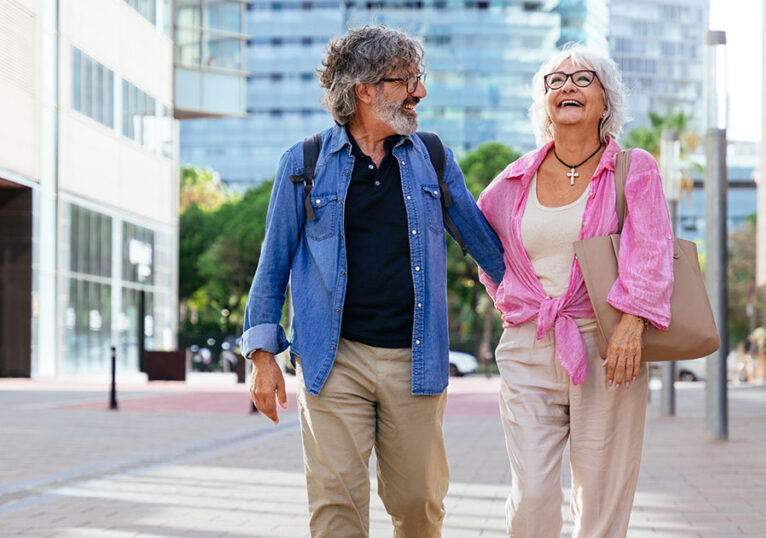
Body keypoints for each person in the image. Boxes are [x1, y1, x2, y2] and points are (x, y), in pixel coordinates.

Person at [241, 25, 505, 538]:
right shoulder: (305, 163)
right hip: (332, 360)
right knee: (336, 506)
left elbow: (485, 244)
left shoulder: (431, 156)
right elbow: (272, 263)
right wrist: (261, 356)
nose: (420, 92)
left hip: (417, 359)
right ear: (364, 90)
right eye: (407, 80)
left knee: (419, 504)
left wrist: (542, 303)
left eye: (418, 79)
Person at [477, 45, 674, 537]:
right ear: (544, 103)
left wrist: (632, 324)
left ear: (606, 102)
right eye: (556, 81)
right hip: (530, 344)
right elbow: (487, 251)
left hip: (610, 344)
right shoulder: (512, 182)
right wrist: (514, 301)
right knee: (534, 493)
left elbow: (652, 247)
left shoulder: (634, 167)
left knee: (601, 497)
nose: (568, 86)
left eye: (584, 79)